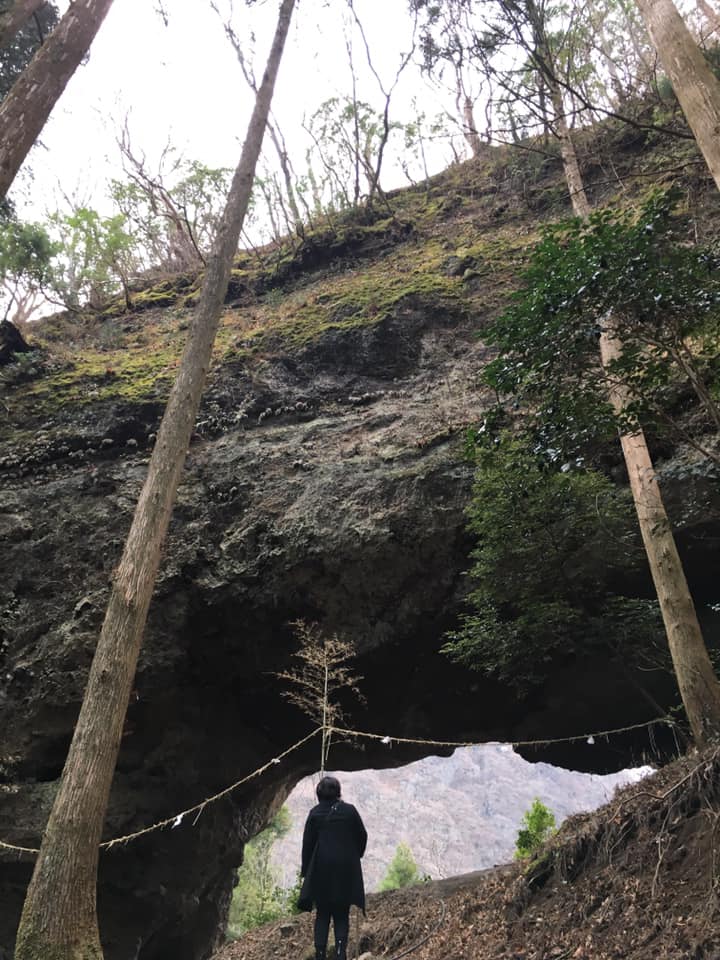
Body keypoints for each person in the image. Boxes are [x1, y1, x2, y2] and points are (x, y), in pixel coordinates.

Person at [299, 775, 367, 960]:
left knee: (323, 913)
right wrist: (354, 856)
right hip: (345, 869)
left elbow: (308, 845)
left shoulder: (315, 813)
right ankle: (339, 953)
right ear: (338, 792)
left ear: (319, 794)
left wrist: (306, 873)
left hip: (321, 869)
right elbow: (362, 836)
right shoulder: (350, 811)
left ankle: (320, 954)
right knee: (341, 912)